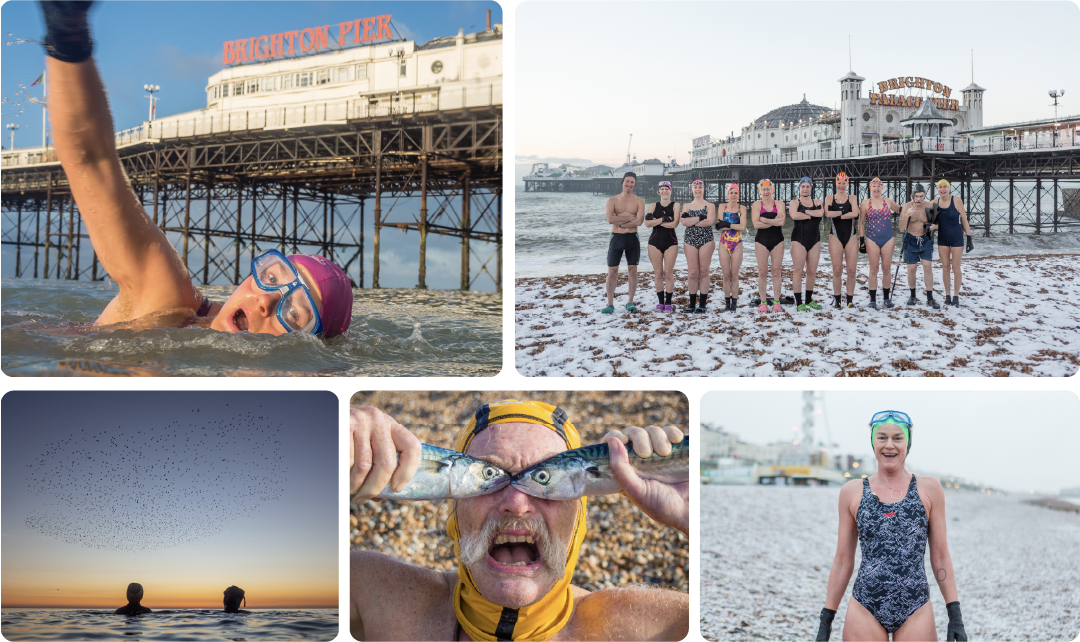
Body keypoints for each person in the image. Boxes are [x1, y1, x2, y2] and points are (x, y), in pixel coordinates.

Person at [35, 0, 353, 337]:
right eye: (272, 278)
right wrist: (67, 33)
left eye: (294, 313)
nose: (265, 302)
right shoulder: (167, 305)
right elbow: (93, 160)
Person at [348, 401, 692, 642]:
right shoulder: (374, 595)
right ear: (456, 508)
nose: (516, 503)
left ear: (578, 517)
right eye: (487, 476)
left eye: (547, 482)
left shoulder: (653, 629)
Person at [816, 411, 968, 642]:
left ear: (908, 443)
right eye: (882, 438)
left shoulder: (930, 489)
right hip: (865, 607)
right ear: (873, 443)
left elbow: (940, 557)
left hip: (915, 608)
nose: (889, 445)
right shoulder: (852, 491)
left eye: (898, 438)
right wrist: (826, 620)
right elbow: (842, 561)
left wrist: (954, 615)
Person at [603, 172, 646, 314]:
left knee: (633, 270)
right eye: (627, 181)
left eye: (632, 182)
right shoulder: (612, 200)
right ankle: (610, 304)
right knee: (612, 271)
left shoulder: (640, 201)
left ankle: (630, 301)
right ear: (622, 182)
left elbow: (639, 221)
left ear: (634, 184)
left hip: (633, 238)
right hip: (616, 237)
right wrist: (630, 218)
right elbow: (610, 219)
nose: (629, 184)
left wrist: (620, 220)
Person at [858, 178, 901, 309]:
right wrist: (861, 241)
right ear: (870, 188)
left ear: (882, 188)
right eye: (874, 186)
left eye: (879, 186)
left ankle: (887, 299)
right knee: (874, 269)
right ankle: (872, 300)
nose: (876, 188)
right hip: (872, 238)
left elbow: (902, 210)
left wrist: (916, 207)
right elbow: (860, 223)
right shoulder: (865, 203)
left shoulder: (888, 201)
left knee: (886, 268)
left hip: (888, 238)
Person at [898, 184, 941, 309]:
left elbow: (938, 223)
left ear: (925, 196)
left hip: (926, 239)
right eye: (916, 196)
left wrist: (934, 226)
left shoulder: (929, 206)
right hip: (910, 239)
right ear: (912, 196)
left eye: (921, 196)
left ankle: (930, 297)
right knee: (911, 269)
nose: (919, 199)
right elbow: (901, 228)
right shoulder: (906, 206)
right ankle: (912, 295)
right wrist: (906, 215)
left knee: (927, 267)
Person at [933, 179, 974, 308]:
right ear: (937, 189)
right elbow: (930, 219)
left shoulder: (956, 200)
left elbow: (964, 220)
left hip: (956, 238)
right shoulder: (934, 203)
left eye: (945, 187)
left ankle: (956, 296)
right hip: (942, 239)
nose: (943, 189)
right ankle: (948, 295)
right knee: (945, 267)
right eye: (940, 187)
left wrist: (969, 238)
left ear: (949, 188)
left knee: (956, 268)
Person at [680, 180, 716, 314]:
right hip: (690, 240)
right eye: (695, 187)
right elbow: (684, 222)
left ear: (703, 189)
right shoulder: (686, 205)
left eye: (700, 187)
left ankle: (702, 304)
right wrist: (700, 218)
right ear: (692, 189)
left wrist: (692, 220)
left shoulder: (710, 205)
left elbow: (710, 221)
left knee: (704, 272)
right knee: (692, 273)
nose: (698, 189)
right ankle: (691, 304)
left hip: (706, 239)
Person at [645, 181, 681, 312]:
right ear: (658, 191)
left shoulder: (676, 205)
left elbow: (674, 224)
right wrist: (664, 219)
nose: (664, 191)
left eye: (667, 189)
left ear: (671, 191)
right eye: (662, 189)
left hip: (671, 242)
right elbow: (647, 224)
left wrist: (656, 221)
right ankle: (660, 302)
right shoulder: (653, 205)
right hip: (654, 242)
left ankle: (668, 302)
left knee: (669, 273)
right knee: (658, 274)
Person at [789, 177, 824, 311]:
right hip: (799, 239)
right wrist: (811, 215)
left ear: (811, 188)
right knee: (798, 271)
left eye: (807, 187)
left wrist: (805, 212)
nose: (805, 189)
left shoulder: (817, 201)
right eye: (802, 187)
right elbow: (794, 216)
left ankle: (809, 300)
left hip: (815, 240)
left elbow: (821, 213)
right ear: (799, 188)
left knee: (812, 272)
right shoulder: (794, 202)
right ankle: (799, 303)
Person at [824, 173, 859, 309]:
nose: (841, 186)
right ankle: (837, 299)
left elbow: (855, 213)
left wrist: (836, 213)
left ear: (847, 184)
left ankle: (849, 300)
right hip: (835, 236)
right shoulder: (829, 198)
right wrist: (844, 213)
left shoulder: (852, 198)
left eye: (844, 183)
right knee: (837, 270)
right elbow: (827, 213)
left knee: (851, 270)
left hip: (851, 235)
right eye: (839, 183)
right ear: (836, 183)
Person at [751, 179, 786, 313]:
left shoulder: (779, 203)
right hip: (761, 240)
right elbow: (755, 224)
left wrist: (764, 219)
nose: (766, 192)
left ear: (772, 189)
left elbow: (782, 222)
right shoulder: (757, 204)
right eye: (763, 189)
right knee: (762, 272)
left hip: (778, 240)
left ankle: (777, 302)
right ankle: (763, 302)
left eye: (768, 189)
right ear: (760, 190)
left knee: (776, 271)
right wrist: (774, 221)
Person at [715, 183, 746, 313]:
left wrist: (726, 224)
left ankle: (734, 304)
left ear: (738, 195)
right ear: (728, 194)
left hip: (737, 243)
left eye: (736, 193)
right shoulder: (723, 206)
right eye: (731, 193)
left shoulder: (742, 208)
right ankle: (727, 303)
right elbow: (718, 226)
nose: (733, 195)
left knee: (734, 275)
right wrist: (734, 224)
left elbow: (743, 227)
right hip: (724, 242)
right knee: (726, 275)